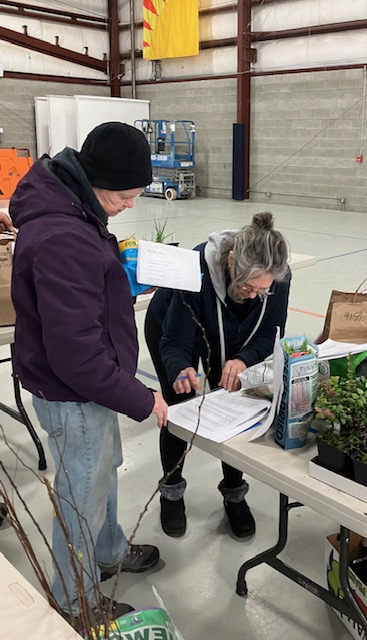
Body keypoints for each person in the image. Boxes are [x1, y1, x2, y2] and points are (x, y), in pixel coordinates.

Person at [9, 122, 169, 630]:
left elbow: (78, 306)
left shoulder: (72, 206)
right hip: (74, 394)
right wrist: (141, 399)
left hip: (89, 389)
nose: (128, 206)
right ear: (95, 179)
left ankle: (110, 551)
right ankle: (73, 601)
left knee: (103, 473)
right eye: (123, 196)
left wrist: (114, 281)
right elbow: (75, 355)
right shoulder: (64, 236)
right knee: (80, 497)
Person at [145, 212, 290, 538]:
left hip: (233, 332)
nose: (255, 295)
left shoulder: (275, 277)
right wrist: (180, 367)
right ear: (231, 261)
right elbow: (174, 340)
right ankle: (171, 492)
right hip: (173, 327)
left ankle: (235, 493)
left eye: (262, 291)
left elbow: (271, 331)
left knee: (235, 404)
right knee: (179, 406)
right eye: (248, 286)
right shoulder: (194, 270)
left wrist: (244, 358)